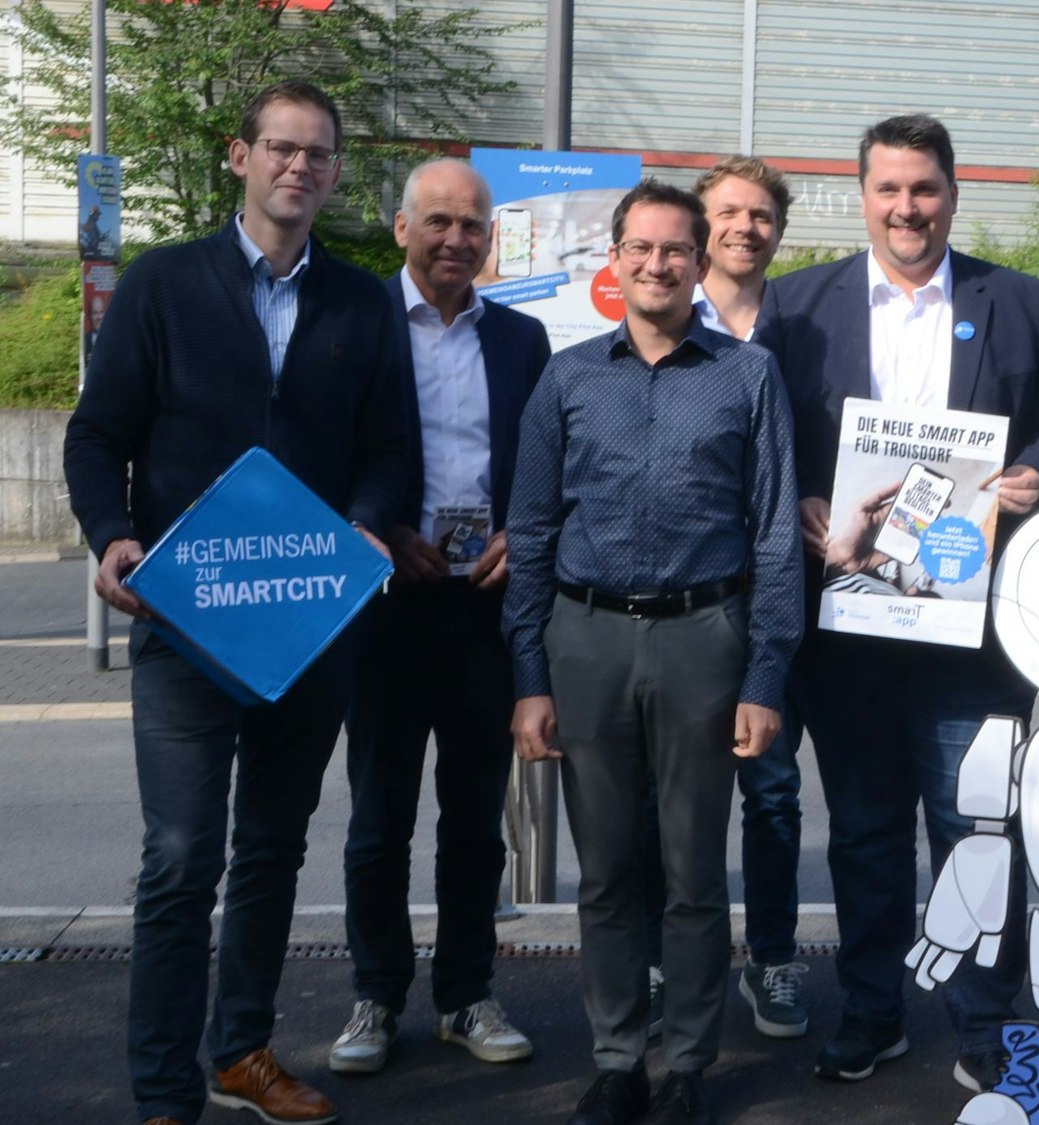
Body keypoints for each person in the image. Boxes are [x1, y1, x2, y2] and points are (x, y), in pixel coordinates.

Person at [63, 79, 410, 1125]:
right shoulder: (166, 284)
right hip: (184, 621)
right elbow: (96, 434)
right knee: (179, 857)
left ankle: (241, 1054)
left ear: (337, 171)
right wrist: (109, 536)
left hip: (310, 624)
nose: (298, 166)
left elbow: (393, 446)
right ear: (240, 157)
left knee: (271, 845)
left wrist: (368, 521)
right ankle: (164, 1087)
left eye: (317, 153)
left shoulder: (361, 300)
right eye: (280, 148)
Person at [763, 114, 1039, 1091]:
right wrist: (804, 496)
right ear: (861, 196)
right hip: (850, 628)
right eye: (889, 190)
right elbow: (765, 435)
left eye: (925, 189)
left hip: (967, 632)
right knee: (861, 834)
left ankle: (983, 1024)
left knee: (974, 833)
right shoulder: (796, 307)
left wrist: (1030, 472)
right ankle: (870, 1011)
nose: (907, 209)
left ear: (952, 192)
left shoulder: (1019, 302)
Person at [505, 179, 802, 1125]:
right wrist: (528, 678)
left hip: (702, 639)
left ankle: (684, 1066)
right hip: (584, 636)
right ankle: (617, 1056)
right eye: (641, 247)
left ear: (699, 260)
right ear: (614, 258)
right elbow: (533, 528)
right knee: (603, 871)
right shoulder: (566, 377)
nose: (658, 263)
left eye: (678, 249)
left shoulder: (748, 374)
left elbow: (772, 539)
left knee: (690, 871)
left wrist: (764, 677)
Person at [328, 157, 551, 1076]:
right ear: (400, 227)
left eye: (473, 225)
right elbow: (318, 452)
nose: (457, 239)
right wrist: (377, 527)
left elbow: (548, 464)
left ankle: (465, 991)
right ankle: (375, 994)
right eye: (440, 222)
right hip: (383, 605)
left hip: (483, 608)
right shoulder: (348, 324)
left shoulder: (524, 340)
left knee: (472, 818)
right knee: (379, 818)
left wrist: (523, 535)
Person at [640, 155, 811, 1043]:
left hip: (796, 590)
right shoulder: (661, 318)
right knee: (679, 796)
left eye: (761, 214)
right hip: (690, 605)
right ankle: (672, 963)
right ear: (700, 234)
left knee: (773, 795)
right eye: (728, 214)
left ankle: (773, 959)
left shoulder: (812, 321)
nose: (745, 227)